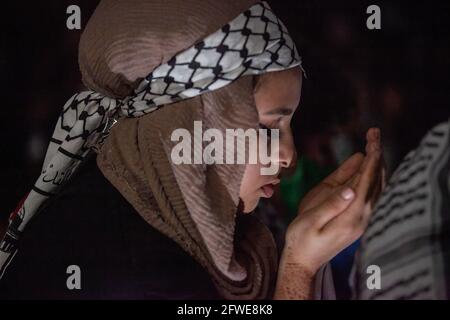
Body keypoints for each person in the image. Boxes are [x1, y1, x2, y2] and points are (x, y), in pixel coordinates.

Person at [0, 0, 382, 299]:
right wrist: (300, 268)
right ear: (194, 122)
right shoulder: (122, 262)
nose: (288, 155)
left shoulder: (165, 225)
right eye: (267, 126)